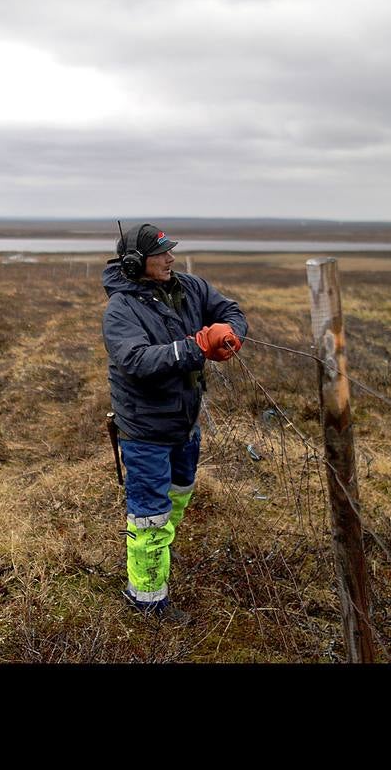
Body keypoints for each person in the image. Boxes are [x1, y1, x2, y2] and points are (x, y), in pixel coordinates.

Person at [102, 223, 248, 623]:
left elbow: (230, 310)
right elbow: (137, 361)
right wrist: (196, 346)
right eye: (161, 255)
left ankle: (160, 553)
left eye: (171, 251)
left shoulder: (191, 287)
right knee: (149, 513)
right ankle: (147, 600)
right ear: (135, 263)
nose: (170, 259)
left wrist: (229, 336)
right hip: (145, 431)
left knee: (179, 494)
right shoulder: (120, 310)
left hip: (185, 424)